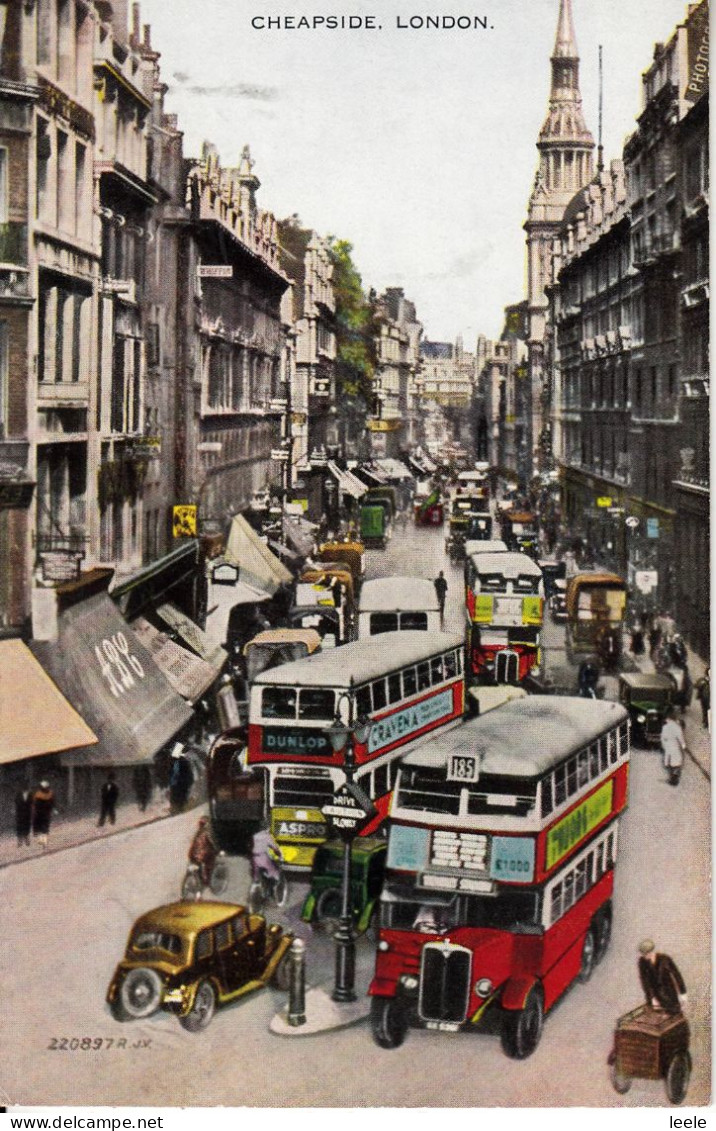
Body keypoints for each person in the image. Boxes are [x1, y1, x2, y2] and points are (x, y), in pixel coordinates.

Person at [637, 939, 687, 1015]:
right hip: (655, 996)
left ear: (651, 952)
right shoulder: (642, 962)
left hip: (669, 993)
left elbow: (677, 975)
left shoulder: (665, 959)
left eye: (646, 954)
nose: (644, 956)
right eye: (643, 954)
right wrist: (652, 998)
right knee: (658, 1019)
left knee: (675, 1015)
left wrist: (683, 993)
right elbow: (645, 982)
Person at [188, 816, 218, 888]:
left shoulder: (197, 833)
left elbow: (192, 843)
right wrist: (216, 849)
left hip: (192, 854)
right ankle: (207, 881)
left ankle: (199, 878)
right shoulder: (207, 833)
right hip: (202, 855)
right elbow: (211, 842)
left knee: (197, 865)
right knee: (209, 862)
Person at [660, 709, 686, 786]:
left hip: (668, 746)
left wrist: (664, 745)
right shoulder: (677, 727)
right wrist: (683, 744)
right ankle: (675, 777)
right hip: (675, 746)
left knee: (669, 762)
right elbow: (680, 736)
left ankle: (672, 777)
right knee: (677, 761)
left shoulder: (665, 727)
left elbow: (663, 738)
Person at [32, 780, 56, 849]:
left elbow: (35, 804)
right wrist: (53, 809)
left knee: (41, 827)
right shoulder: (50, 794)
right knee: (44, 828)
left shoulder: (38, 794)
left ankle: (42, 841)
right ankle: (43, 842)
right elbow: (52, 803)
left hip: (41, 813)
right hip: (44, 813)